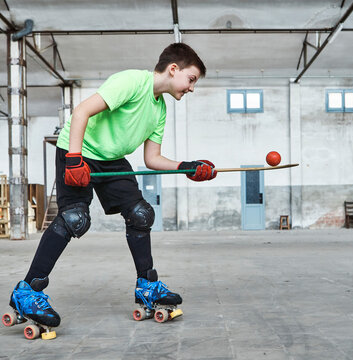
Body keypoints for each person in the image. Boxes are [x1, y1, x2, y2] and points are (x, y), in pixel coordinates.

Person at [6, 43, 216, 328]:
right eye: (191, 79)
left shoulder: (160, 109)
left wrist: (187, 168)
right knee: (74, 218)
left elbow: (152, 158)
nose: (191, 88)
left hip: (111, 159)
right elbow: (81, 112)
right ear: (173, 69)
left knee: (141, 213)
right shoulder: (131, 81)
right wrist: (74, 160)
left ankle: (147, 286)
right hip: (77, 149)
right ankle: (27, 292)